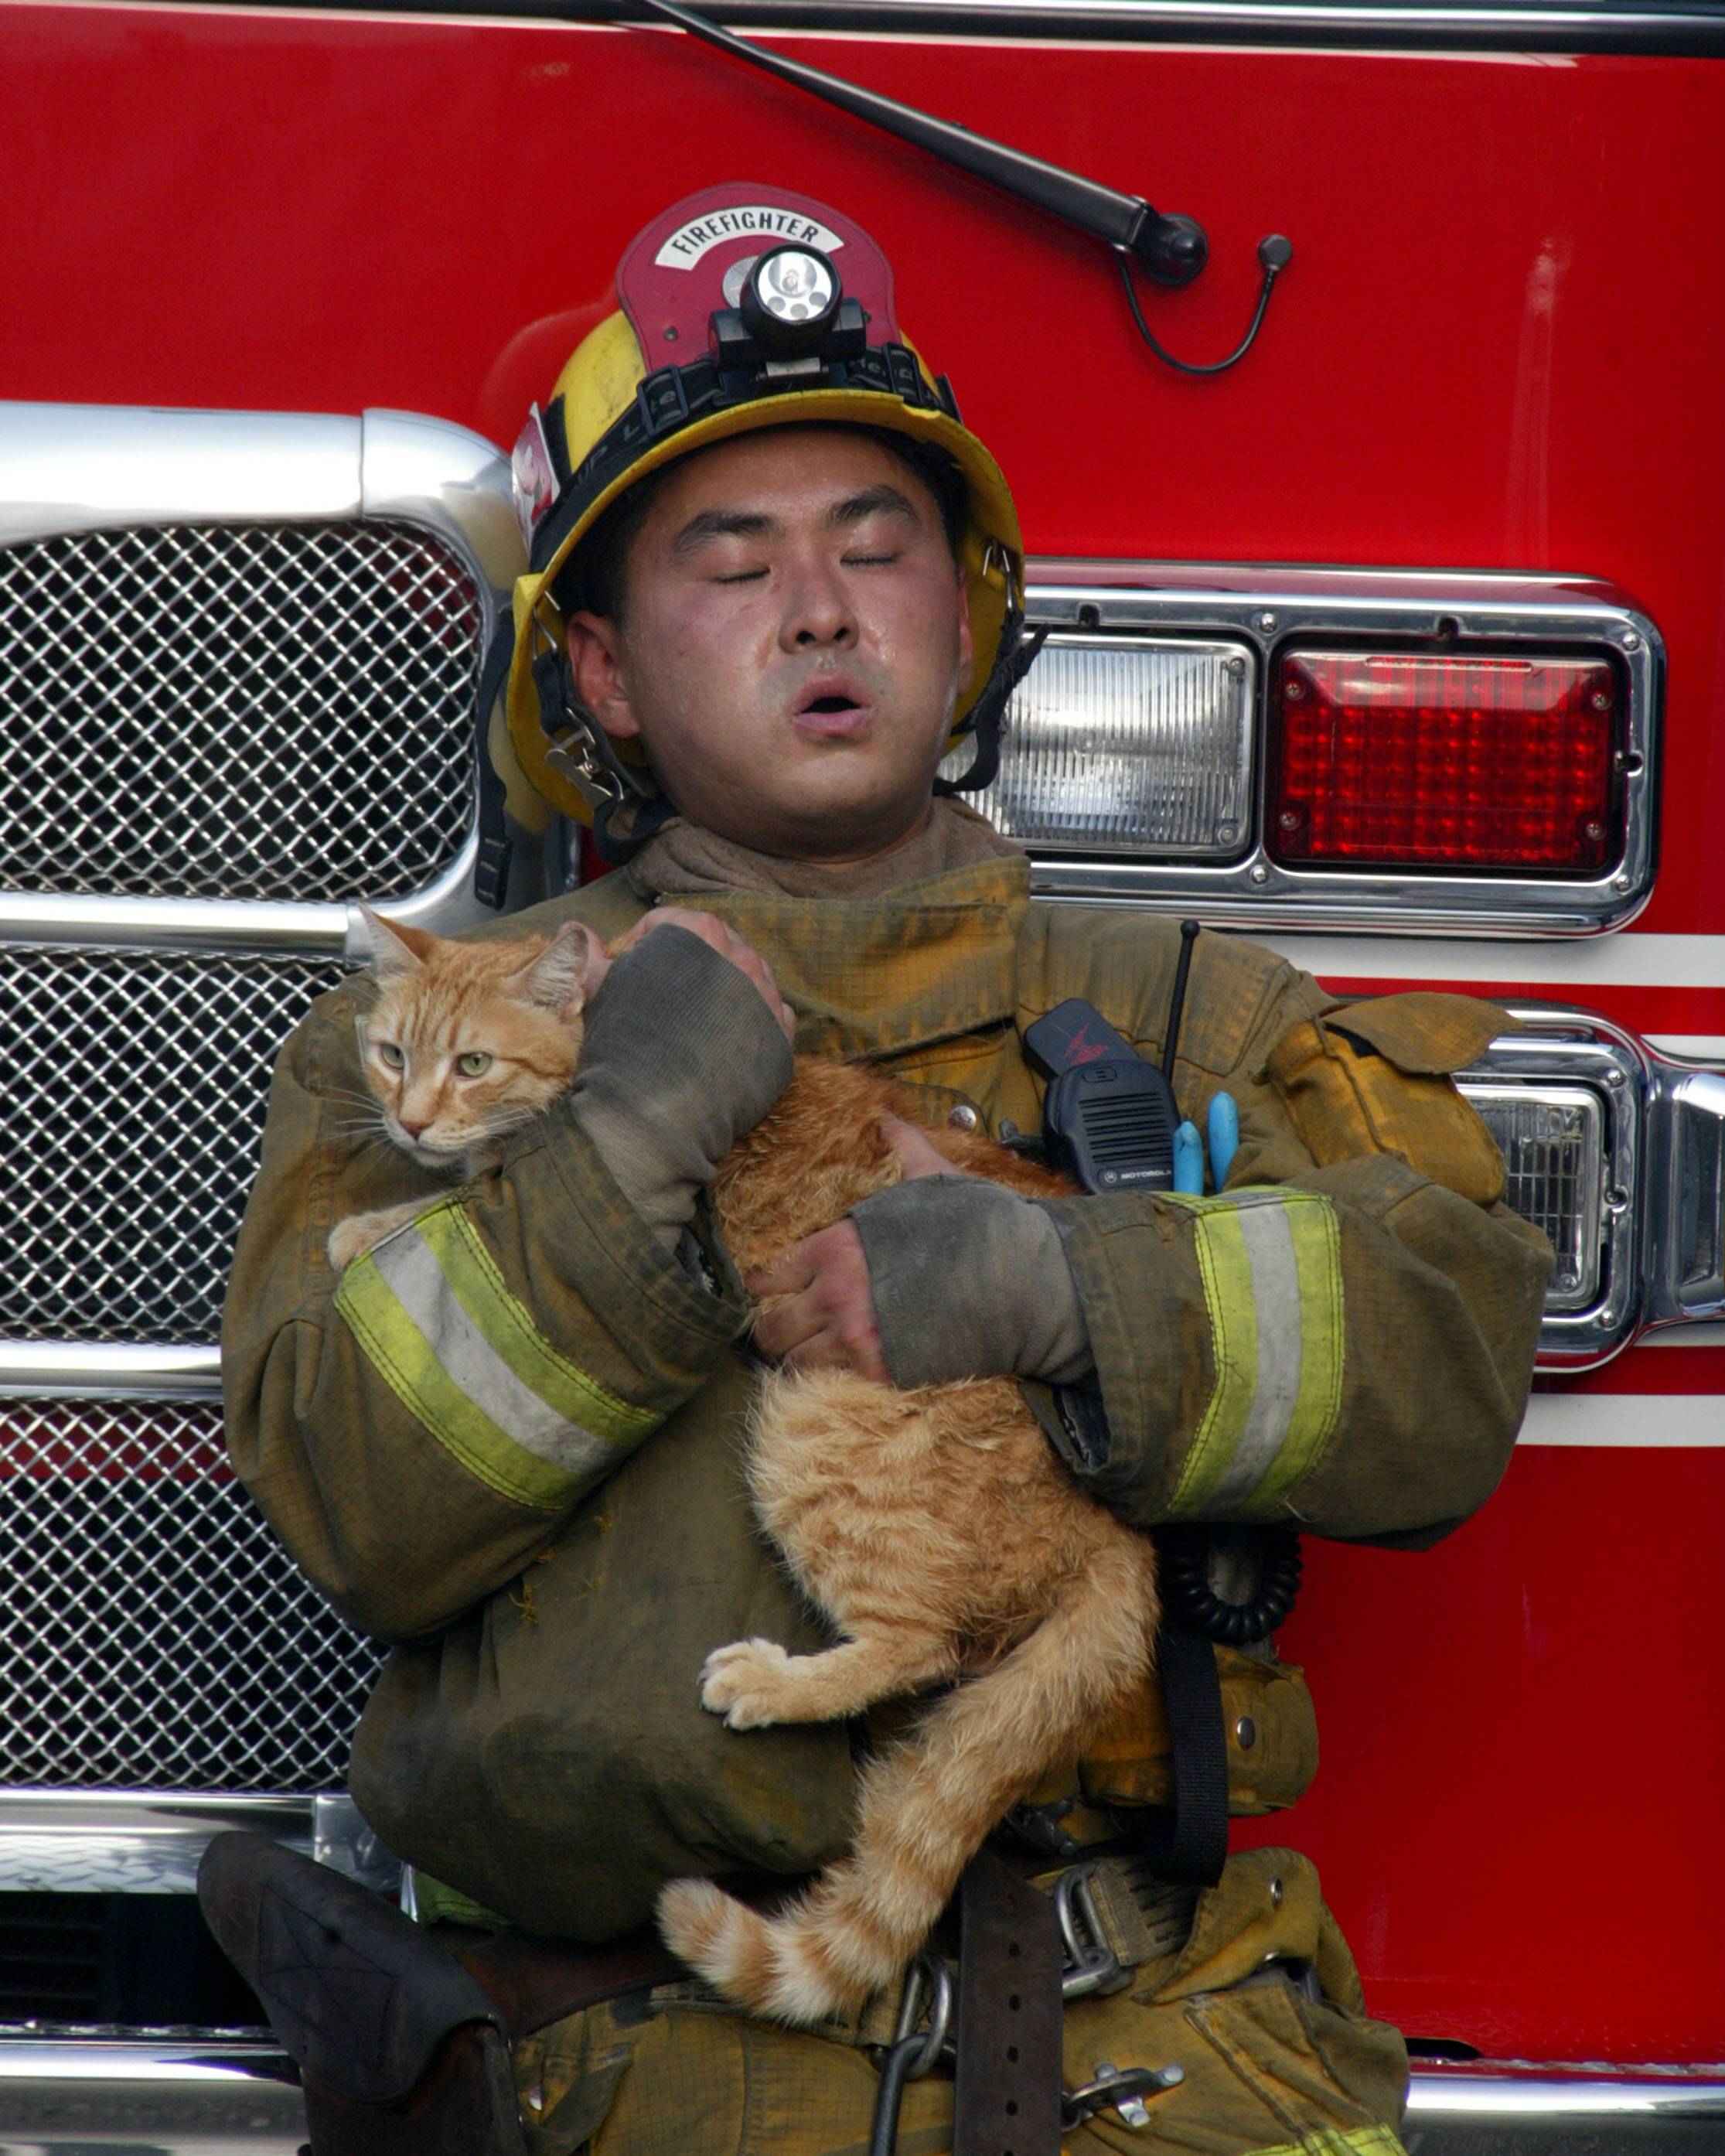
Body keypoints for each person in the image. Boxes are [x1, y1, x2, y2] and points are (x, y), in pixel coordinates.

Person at [208, 187, 1552, 2156]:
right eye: (732, 561)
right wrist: (631, 1133)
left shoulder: (1182, 1014)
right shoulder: (413, 1045)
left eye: (876, 546)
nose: (821, 609)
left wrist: (1074, 1288)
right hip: (608, 2074)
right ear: (597, 670)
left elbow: (1453, 1352)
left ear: (964, 611)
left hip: (1148, 2064)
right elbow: (349, 1488)